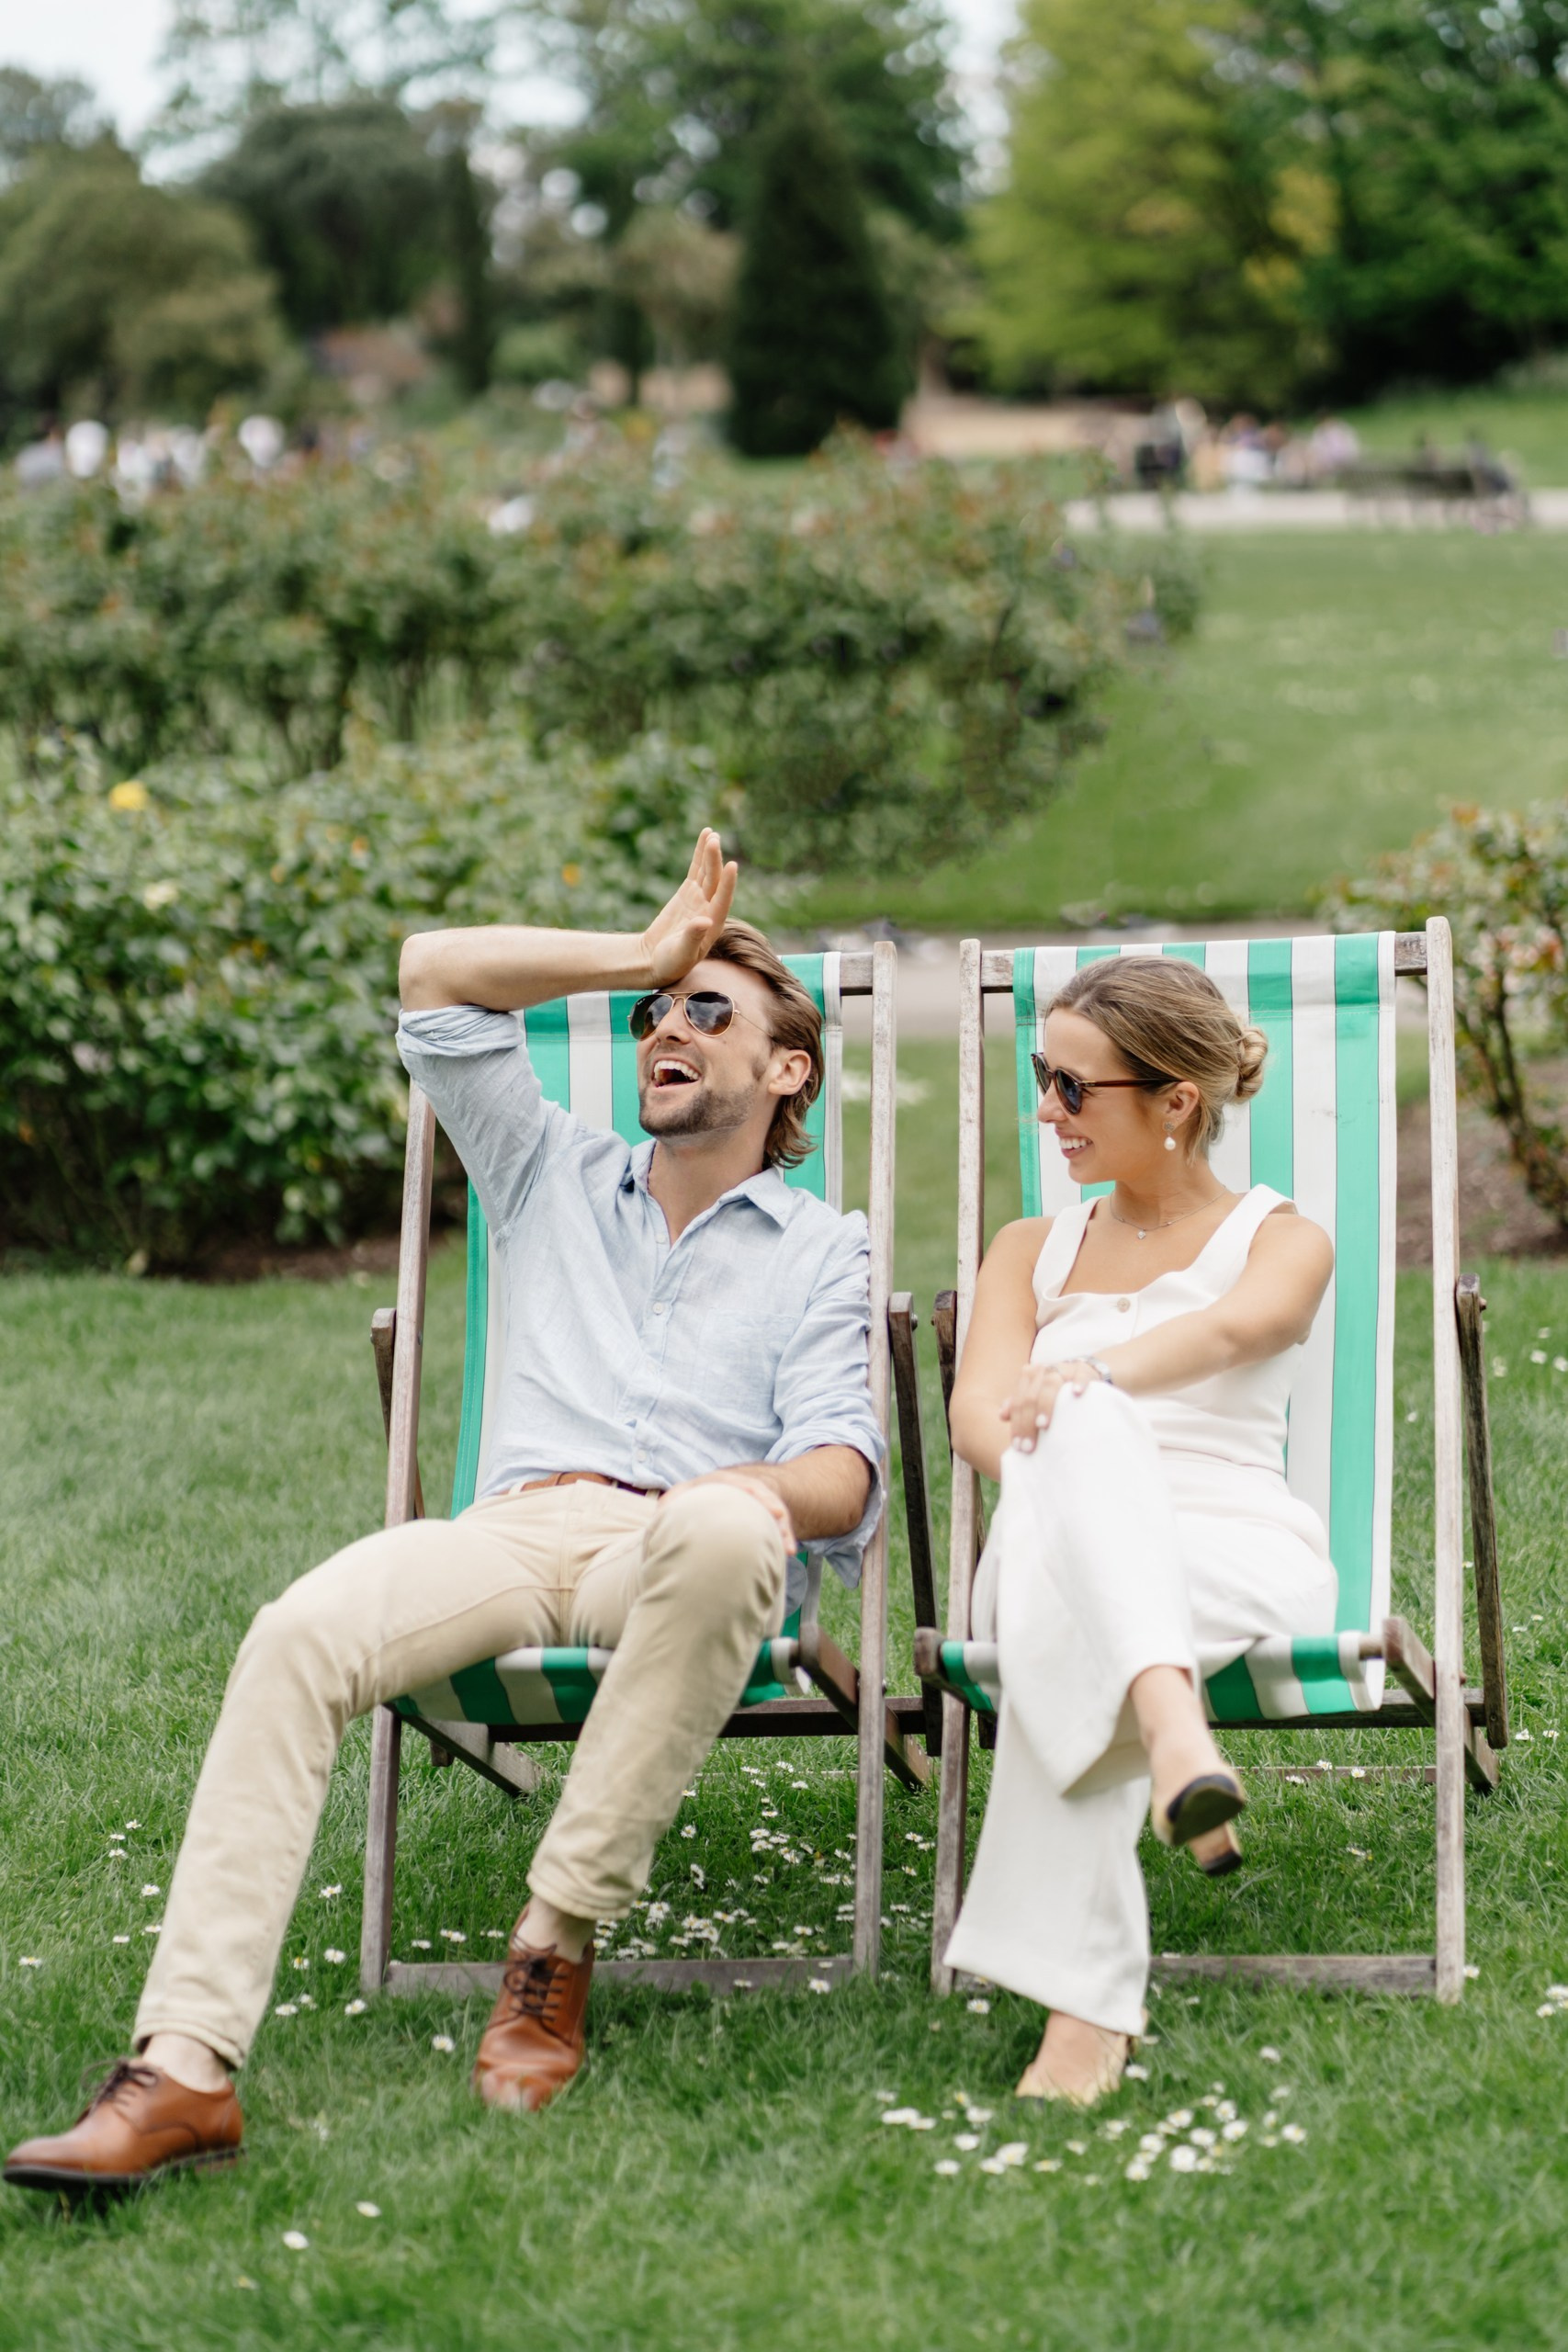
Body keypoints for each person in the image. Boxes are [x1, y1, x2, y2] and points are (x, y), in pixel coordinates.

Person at [6, 830, 882, 2195]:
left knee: (723, 1531)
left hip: (680, 1546)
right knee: (299, 1631)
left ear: (787, 1071)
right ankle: (181, 2069)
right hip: (511, 1535)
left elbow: (841, 1477)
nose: (667, 1026)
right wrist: (643, 952)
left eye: (710, 1011)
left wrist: (737, 1493)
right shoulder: (545, 1170)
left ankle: (553, 1942)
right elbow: (430, 974)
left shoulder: (825, 1248)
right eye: (656, 1014)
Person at [942, 955, 1336, 2107]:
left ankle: (1087, 2014)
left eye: (1075, 1089)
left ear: (1177, 1103)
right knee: (1074, 1447)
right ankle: (1177, 1734)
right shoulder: (1029, 1246)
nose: (1044, 1110)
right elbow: (980, 1418)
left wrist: (1087, 1376)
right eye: (1040, 1076)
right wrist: (1069, 1423)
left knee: (1076, 1500)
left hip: (1233, 1551)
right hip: (1048, 1529)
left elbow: (1238, 1333)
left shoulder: (1282, 1237)